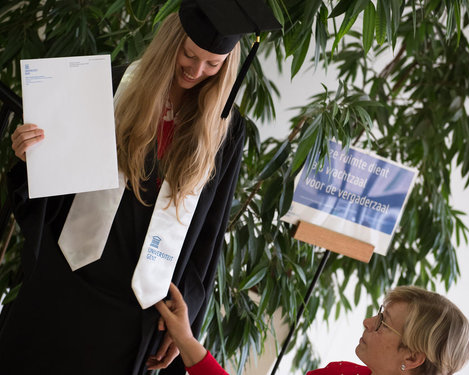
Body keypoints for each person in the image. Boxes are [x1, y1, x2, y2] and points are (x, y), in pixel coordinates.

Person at [0, 1, 280, 375]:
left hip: (135, 309)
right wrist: (29, 155)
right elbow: (53, 176)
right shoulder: (111, 85)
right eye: (190, 55)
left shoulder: (225, 132)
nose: (197, 71)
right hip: (66, 278)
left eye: (213, 64)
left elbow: (209, 235)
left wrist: (185, 323)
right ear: (170, 43)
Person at [157, 283, 469, 375]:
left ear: (414, 358)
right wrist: (185, 339)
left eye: (383, 322)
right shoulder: (344, 373)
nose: (367, 322)